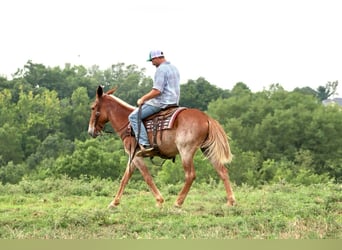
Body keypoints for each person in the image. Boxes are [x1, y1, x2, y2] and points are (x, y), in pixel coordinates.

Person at [128, 50, 180, 156]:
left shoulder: (161, 70)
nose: (152, 63)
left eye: (152, 60)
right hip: (174, 101)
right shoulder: (174, 68)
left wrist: (143, 99)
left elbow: (157, 91)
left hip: (161, 102)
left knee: (133, 116)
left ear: (157, 58)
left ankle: (145, 145)